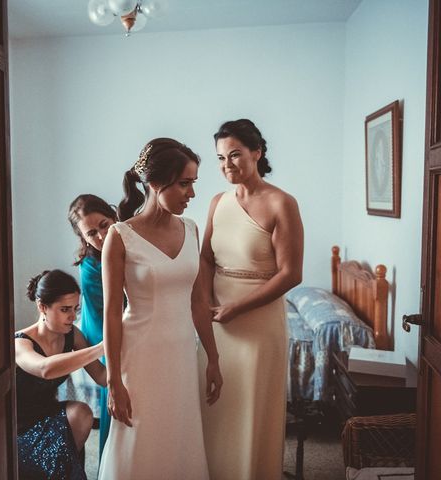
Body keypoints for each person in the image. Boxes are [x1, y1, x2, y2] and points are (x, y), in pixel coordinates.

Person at [98, 138, 222, 480]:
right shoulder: (120, 236)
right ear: (155, 183)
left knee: (178, 435)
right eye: (184, 183)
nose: (191, 194)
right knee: (140, 437)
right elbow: (111, 311)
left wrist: (212, 357)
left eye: (193, 183)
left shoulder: (191, 229)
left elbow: (198, 302)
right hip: (140, 356)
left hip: (182, 352)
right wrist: (113, 382)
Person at [197, 119, 304, 479]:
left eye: (236, 155)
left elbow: (291, 273)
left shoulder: (281, 203)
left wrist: (235, 308)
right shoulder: (217, 202)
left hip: (258, 321)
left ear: (257, 152)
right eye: (220, 158)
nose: (227, 165)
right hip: (217, 319)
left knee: (252, 408)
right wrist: (204, 305)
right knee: (217, 405)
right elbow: (206, 258)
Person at [15, 269, 107, 480]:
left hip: (49, 412)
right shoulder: (20, 343)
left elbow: (101, 377)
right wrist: (102, 347)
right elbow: (45, 369)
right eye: (65, 309)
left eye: (76, 309)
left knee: (82, 413)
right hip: (19, 429)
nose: (73, 317)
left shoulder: (72, 335)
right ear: (42, 307)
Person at [67, 193, 117, 457]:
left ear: (113, 217)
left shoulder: (133, 241)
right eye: (91, 234)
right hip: (101, 328)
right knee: (114, 386)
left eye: (104, 225)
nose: (100, 237)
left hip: (131, 321)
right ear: (83, 239)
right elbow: (106, 315)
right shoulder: (90, 267)